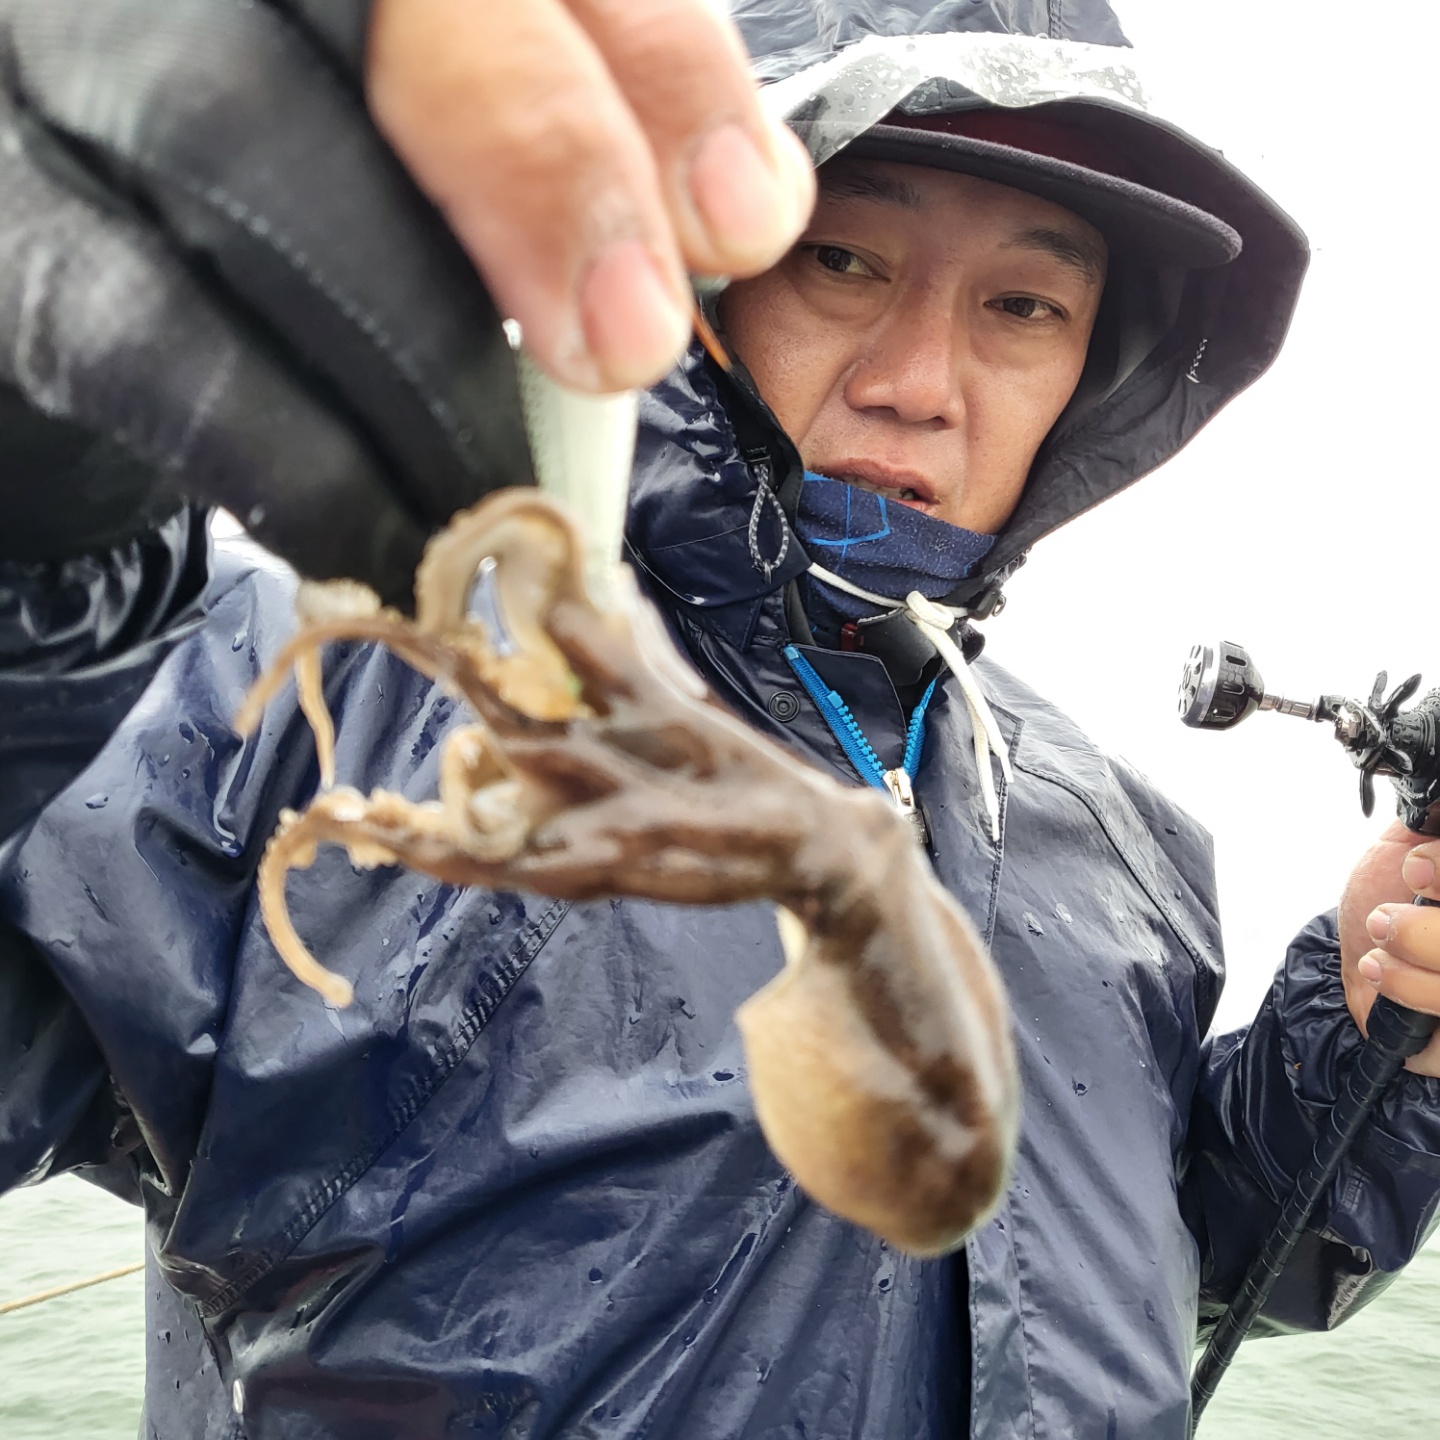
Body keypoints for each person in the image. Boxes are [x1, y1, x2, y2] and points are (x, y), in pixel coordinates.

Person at [2, 2, 1439, 1437]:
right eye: (840, 259)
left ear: (1101, 367)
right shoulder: (314, 680)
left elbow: (1174, 1260)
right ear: (694, 280)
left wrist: (1366, 1042)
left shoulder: (1128, 836)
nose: (919, 386)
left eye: (1024, 306)